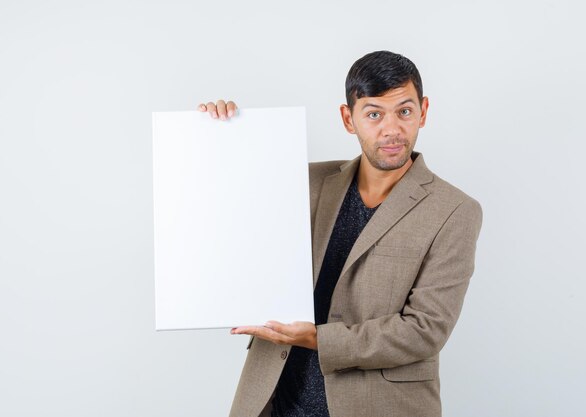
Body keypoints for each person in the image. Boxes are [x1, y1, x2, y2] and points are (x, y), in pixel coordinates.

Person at [199, 51, 482, 417]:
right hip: (275, 400)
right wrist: (219, 135)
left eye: (405, 111)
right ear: (349, 118)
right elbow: (227, 210)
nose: (391, 129)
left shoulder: (454, 210)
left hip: (378, 406)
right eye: (374, 114)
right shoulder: (305, 182)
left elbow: (424, 331)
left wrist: (316, 339)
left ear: (423, 112)